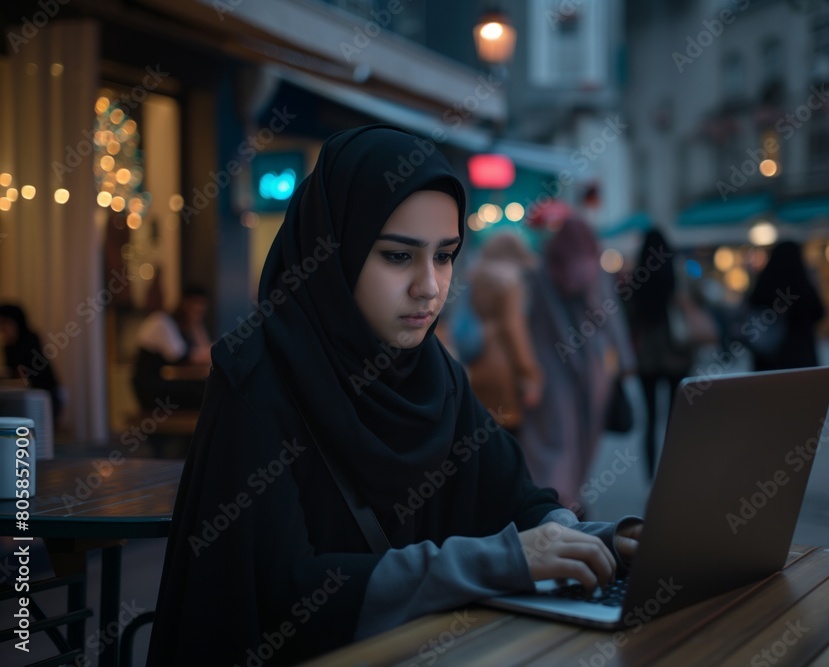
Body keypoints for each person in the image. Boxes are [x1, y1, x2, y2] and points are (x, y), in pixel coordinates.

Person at [147, 126, 642, 665]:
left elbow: (517, 499)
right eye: (398, 257)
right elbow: (285, 596)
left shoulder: (435, 375)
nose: (429, 286)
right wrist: (497, 560)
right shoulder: (259, 378)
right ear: (332, 251)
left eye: (446, 256)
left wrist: (601, 540)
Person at [518, 215, 636, 512]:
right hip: (592, 367)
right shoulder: (594, 270)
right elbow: (611, 318)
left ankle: (554, 496)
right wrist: (625, 360)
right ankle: (572, 495)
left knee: (553, 437)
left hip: (548, 365)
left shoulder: (543, 269)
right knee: (585, 434)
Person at [624, 229, 693, 479]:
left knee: (651, 419)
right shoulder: (677, 274)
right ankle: (675, 472)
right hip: (677, 352)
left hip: (647, 357)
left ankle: (652, 477)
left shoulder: (637, 278)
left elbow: (628, 318)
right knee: (677, 419)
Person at [465, 232, 544, 438]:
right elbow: (514, 330)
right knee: (507, 441)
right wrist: (529, 374)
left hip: (475, 364)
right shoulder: (510, 284)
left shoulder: (475, 278)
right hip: (503, 371)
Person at [746, 240, 825, 371]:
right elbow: (820, 313)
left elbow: (753, 306)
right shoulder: (802, 284)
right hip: (801, 357)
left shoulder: (766, 282)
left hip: (768, 356)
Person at [131, 285, 212, 411]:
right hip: (153, 392)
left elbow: (203, 350)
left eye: (201, 311)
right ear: (184, 304)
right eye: (195, 308)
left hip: (165, 386)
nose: (198, 313)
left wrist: (196, 325)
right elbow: (183, 357)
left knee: (209, 390)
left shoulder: (182, 327)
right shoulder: (161, 321)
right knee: (208, 392)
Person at [0, 304, 63, 422]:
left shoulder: (30, 339)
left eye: (5, 323)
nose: (3, 328)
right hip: (23, 397)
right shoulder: (8, 346)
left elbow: (35, 373)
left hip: (43, 395)